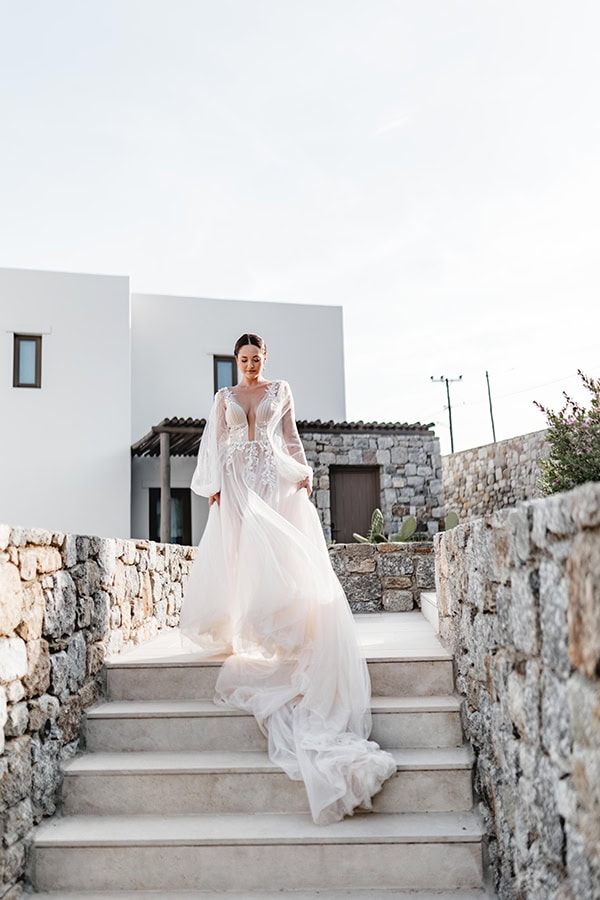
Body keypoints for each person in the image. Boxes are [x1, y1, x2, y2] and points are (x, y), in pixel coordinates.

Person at [180, 333, 396, 824]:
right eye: (244, 359)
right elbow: (215, 443)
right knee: (239, 553)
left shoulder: (280, 390)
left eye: (256, 358)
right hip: (233, 480)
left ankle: (274, 625)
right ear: (235, 361)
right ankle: (241, 626)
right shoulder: (224, 397)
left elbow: (290, 435)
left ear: (265, 359)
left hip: (269, 476)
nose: (250, 365)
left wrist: (303, 471)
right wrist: (212, 487)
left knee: (272, 550)